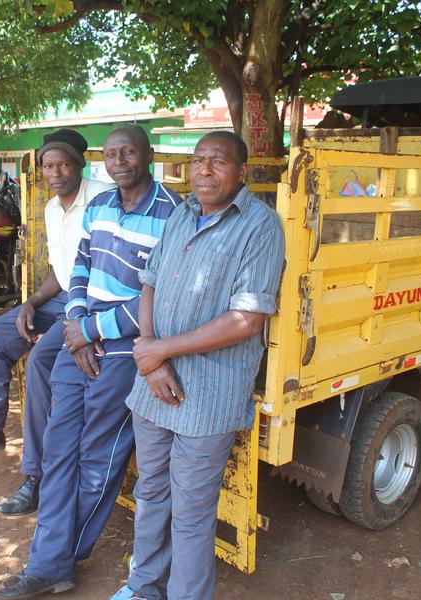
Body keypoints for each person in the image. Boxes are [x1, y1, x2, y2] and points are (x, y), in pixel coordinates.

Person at [0, 125, 183, 599]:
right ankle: (48, 560)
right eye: (112, 154)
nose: (119, 162)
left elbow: (164, 296)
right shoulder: (99, 207)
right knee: (59, 451)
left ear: (149, 156)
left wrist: (93, 329)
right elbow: (79, 268)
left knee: (98, 457)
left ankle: (55, 561)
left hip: (126, 352)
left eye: (128, 153)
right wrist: (76, 323)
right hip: (79, 344)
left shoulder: (173, 213)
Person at [110, 131, 285, 600]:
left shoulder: (260, 226)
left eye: (218, 161)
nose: (204, 170)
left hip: (209, 393)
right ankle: (143, 586)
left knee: (190, 511)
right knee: (151, 493)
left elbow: (247, 319)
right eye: (198, 160)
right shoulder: (181, 214)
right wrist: (151, 356)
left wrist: (161, 351)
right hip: (154, 385)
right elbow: (149, 282)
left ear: (242, 171)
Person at [0, 128, 113, 516]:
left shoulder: (103, 198)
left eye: (63, 164)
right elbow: (61, 272)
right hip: (64, 297)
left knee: (41, 363)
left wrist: (74, 318)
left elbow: (109, 272)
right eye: (48, 166)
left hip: (93, 303)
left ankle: (37, 476)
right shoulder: (51, 209)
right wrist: (31, 302)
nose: (55, 172)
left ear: (80, 166)